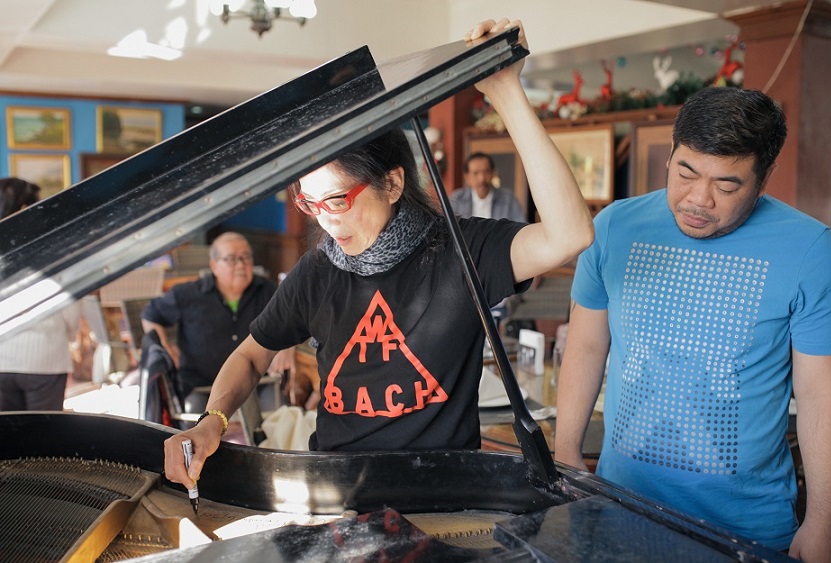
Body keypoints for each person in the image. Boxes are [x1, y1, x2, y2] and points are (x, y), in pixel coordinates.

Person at [164, 18, 593, 486]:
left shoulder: (461, 251)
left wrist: (506, 90)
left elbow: (568, 235)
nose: (325, 219)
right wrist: (214, 420)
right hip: (335, 491)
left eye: (338, 199)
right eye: (309, 202)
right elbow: (251, 355)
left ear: (392, 183)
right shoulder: (318, 271)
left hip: (442, 495)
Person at [554, 86, 831, 561]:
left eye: (727, 186)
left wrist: (825, 521)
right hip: (618, 506)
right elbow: (586, 346)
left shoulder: (812, 252)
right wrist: (567, 451)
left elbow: (821, 394)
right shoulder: (614, 227)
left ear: (764, 178)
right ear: (670, 154)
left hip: (744, 531)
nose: (698, 199)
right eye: (686, 172)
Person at [142, 232, 295, 412]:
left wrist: (287, 348)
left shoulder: (268, 291)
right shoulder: (189, 294)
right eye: (231, 259)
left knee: (283, 418)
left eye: (246, 257)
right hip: (201, 387)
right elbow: (151, 314)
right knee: (195, 428)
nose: (241, 265)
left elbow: (292, 319)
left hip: (257, 384)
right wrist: (164, 347)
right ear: (214, 266)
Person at [0, 177, 81, 411]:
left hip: (2, 361)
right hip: (45, 359)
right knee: (44, 438)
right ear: (26, 208)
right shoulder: (51, 247)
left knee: (6, 439)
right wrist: (71, 334)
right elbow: (70, 305)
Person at [449, 152, 525, 221]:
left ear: (492, 173)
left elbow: (521, 226)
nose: (482, 179)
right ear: (467, 177)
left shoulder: (508, 198)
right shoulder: (457, 198)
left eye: (486, 172)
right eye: (476, 173)